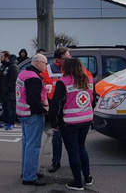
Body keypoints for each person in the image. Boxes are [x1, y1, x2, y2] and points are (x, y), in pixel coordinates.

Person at [41, 47, 93, 173]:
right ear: (58, 59)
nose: (69, 59)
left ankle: (77, 169)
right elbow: (40, 84)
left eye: (70, 56)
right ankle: (56, 161)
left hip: (72, 110)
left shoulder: (76, 68)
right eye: (66, 58)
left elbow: (87, 80)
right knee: (57, 138)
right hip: (58, 108)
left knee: (76, 148)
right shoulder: (48, 70)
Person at [50, 58, 94, 191]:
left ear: (66, 68)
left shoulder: (63, 82)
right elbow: (94, 99)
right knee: (81, 147)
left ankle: (77, 182)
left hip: (69, 122)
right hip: (86, 119)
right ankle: (87, 177)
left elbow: (56, 105)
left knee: (73, 151)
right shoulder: (89, 80)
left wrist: (54, 122)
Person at [17, 54, 48, 186]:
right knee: (33, 146)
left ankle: (27, 171)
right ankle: (29, 176)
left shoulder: (23, 73)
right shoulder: (33, 78)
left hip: (22, 113)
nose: (46, 67)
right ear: (38, 63)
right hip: (32, 115)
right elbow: (33, 100)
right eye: (45, 64)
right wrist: (42, 111)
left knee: (26, 144)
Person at [0, 51, 19, 130]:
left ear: (6, 57)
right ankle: (5, 121)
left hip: (10, 93)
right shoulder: (3, 66)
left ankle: (11, 123)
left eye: (2, 57)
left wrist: (7, 90)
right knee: (5, 108)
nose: (1, 58)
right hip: (3, 92)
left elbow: (13, 80)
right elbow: (1, 78)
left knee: (11, 109)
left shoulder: (13, 66)